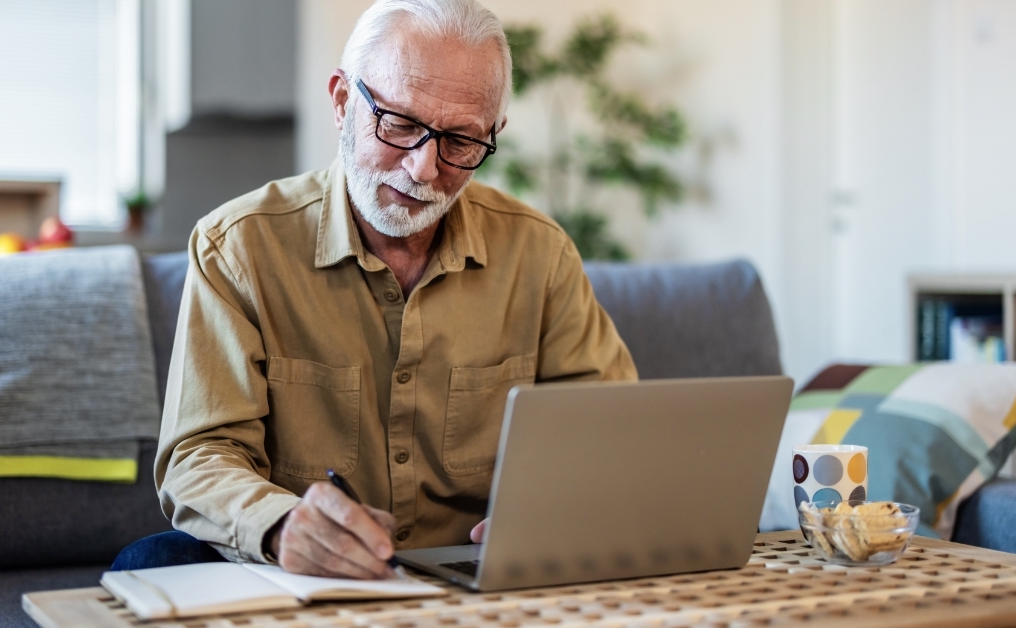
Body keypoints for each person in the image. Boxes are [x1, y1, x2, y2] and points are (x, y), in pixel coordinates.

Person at [112, 0, 637, 579]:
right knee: (152, 563)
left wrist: (560, 509)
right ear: (342, 101)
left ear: (494, 134)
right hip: (299, 573)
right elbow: (200, 455)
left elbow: (610, 431)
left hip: (478, 576)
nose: (422, 169)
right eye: (401, 124)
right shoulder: (238, 247)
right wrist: (283, 527)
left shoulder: (539, 254)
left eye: (461, 141)